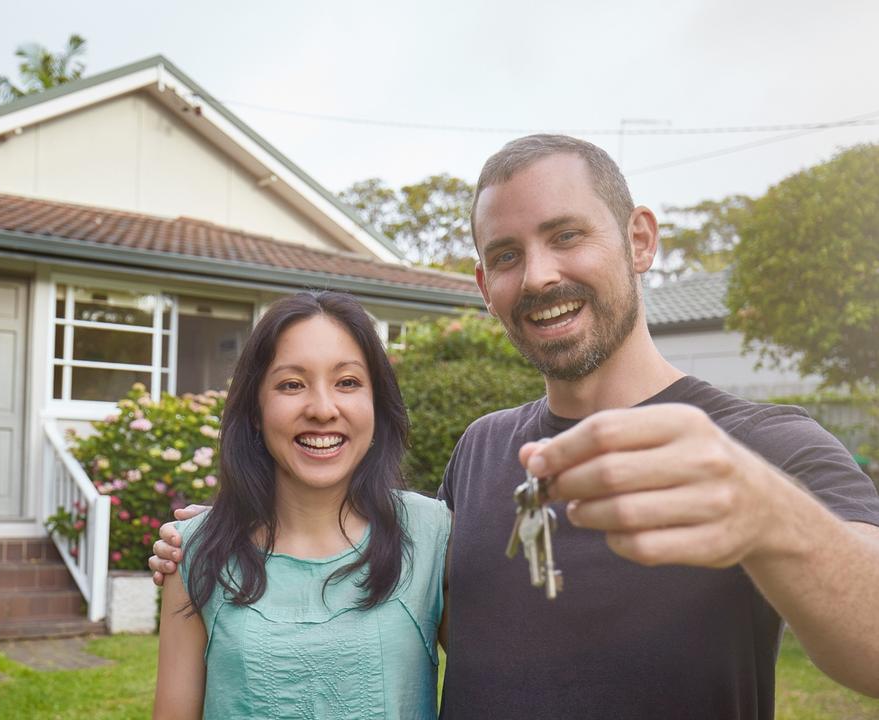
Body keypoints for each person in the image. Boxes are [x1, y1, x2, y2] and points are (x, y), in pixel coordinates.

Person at [152, 135, 879, 719]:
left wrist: (768, 514)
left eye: (566, 236)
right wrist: (219, 534)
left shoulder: (765, 446)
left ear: (639, 240)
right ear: (483, 287)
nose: (536, 277)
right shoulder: (481, 449)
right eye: (505, 256)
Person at [153, 291, 451, 719]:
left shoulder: (432, 535)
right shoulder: (194, 551)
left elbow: (504, 683)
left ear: (376, 403)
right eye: (291, 384)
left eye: (347, 382)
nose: (323, 409)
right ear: (255, 410)